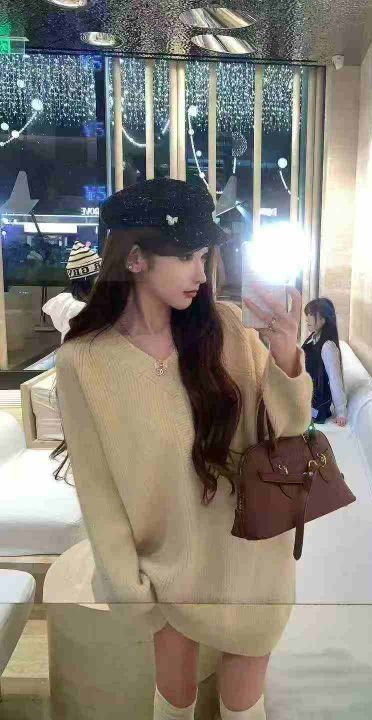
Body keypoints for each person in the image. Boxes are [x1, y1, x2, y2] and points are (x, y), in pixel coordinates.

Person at [52, 178, 312, 720]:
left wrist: (287, 358)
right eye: (185, 256)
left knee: (244, 708)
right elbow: (97, 486)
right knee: (174, 703)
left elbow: (287, 431)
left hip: (253, 557)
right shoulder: (84, 361)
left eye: (203, 256)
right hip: (167, 567)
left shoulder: (228, 329)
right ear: (136, 258)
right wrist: (126, 582)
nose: (201, 273)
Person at [42, 240, 102, 343]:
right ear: (86, 278)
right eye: (98, 275)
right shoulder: (78, 308)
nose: (101, 279)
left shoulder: (65, 300)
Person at [302, 297, 347, 427]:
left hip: (316, 405)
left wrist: (341, 412)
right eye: (307, 315)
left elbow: (335, 379)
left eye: (311, 315)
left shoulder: (328, 346)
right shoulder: (313, 338)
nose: (307, 319)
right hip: (306, 395)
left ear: (323, 319)